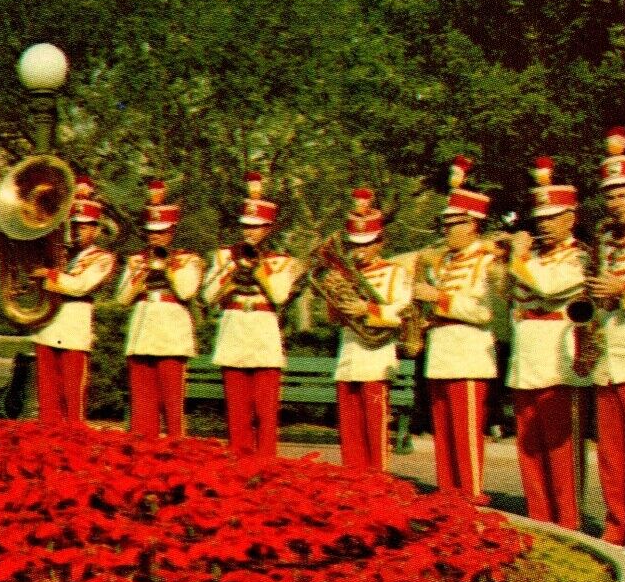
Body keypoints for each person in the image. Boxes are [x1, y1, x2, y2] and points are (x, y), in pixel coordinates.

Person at [505, 157, 591, 530]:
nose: (543, 224)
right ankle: (541, 524)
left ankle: (570, 528)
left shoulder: (581, 254)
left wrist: (516, 254)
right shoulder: (530, 258)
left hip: (560, 363)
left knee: (562, 456)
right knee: (531, 451)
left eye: (552, 217)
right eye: (539, 218)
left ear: (570, 218)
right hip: (525, 362)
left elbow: (548, 286)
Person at [411, 157, 500, 505]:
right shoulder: (444, 262)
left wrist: (439, 299)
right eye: (445, 224)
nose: (445, 230)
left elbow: (485, 311)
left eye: (453, 224)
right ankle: (448, 495)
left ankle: (473, 495)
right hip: (441, 352)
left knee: (466, 433)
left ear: (473, 225)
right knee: (444, 434)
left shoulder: (487, 261)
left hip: (469, 354)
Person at [199, 171, 303, 457]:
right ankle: (238, 462)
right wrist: (230, 275)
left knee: (266, 411)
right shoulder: (224, 257)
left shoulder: (279, 261)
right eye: (246, 226)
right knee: (236, 409)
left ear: (268, 229)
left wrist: (257, 269)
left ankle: (266, 461)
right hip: (233, 327)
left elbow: (280, 295)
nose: (249, 232)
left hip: (263, 329)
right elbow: (207, 296)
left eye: (256, 227)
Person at [323, 189, 413, 471]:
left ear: (380, 242)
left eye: (366, 243)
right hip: (349, 354)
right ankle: (354, 483)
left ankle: (378, 480)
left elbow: (402, 313)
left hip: (376, 355)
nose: (359, 250)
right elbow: (335, 319)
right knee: (349, 430)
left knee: (375, 427)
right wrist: (334, 296)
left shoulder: (395, 272)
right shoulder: (346, 274)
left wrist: (368, 310)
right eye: (354, 245)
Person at [114, 179, 203, 438]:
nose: (155, 236)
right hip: (142, 331)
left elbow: (186, 291)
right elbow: (122, 298)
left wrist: (166, 267)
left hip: (171, 335)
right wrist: (140, 276)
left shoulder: (187, 259)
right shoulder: (136, 260)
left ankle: (175, 451)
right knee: (142, 407)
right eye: (151, 232)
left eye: (161, 232)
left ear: (171, 231)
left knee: (172, 406)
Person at [29, 176, 118, 425]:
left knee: (72, 398)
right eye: (76, 225)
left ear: (97, 229)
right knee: (46, 398)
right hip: (47, 325)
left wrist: (48, 274)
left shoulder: (102, 258)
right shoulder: (58, 254)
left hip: (74, 325)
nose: (79, 230)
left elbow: (80, 286)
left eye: (87, 226)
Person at [590, 128, 625, 556]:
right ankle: (616, 529)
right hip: (608, 353)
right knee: (611, 452)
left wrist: (623, 290)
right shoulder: (605, 240)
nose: (615, 203)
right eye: (610, 196)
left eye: (623, 195)